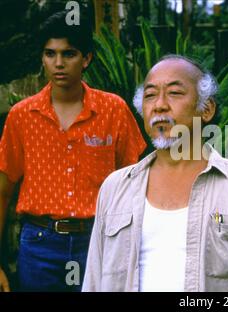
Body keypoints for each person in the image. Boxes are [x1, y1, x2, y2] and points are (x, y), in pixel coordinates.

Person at [82, 55, 228, 292]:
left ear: (206, 109)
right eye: (150, 95)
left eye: (175, 93)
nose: (159, 104)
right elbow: (94, 282)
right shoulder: (116, 188)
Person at [0, 10, 146, 292]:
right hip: (39, 244)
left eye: (69, 54)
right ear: (42, 58)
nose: (58, 63)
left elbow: (137, 185)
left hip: (98, 240)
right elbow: (3, 191)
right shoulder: (21, 117)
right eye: (50, 54)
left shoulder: (113, 110)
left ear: (86, 58)